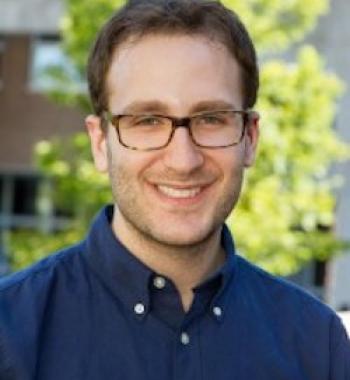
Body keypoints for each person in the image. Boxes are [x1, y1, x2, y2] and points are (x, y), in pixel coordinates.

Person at [0, 0, 349, 379]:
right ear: (100, 142)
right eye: (147, 120)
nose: (183, 160)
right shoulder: (10, 335)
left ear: (249, 138)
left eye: (212, 118)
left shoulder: (317, 343)